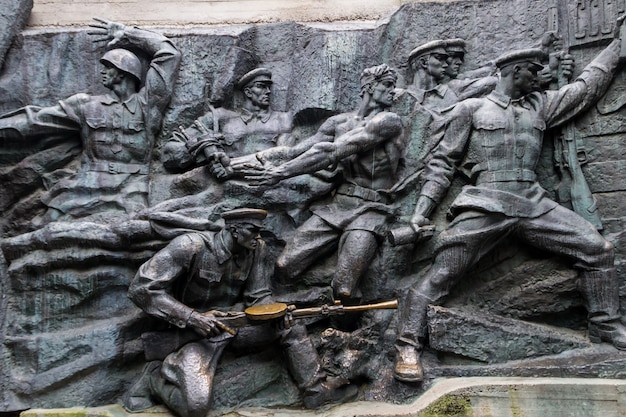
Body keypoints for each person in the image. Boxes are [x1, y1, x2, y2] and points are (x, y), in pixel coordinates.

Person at [393, 17, 626, 383]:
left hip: (533, 202)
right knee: (442, 273)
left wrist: (616, 47)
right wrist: (420, 213)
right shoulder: (470, 110)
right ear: (516, 72)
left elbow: (585, 88)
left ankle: (605, 326)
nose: (540, 76)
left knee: (598, 250)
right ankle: (407, 345)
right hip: (486, 202)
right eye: (534, 71)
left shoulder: (540, 106)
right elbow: (441, 165)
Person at [124, 208, 356, 417]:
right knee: (194, 408)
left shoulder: (257, 250)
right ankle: (155, 378)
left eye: (259, 232)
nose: (258, 237)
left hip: (236, 327)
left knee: (291, 326)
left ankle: (316, 392)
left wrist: (276, 313)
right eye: (252, 231)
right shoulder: (191, 247)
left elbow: (258, 296)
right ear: (234, 230)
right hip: (194, 335)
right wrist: (192, 318)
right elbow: (142, 288)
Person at [245, 64, 405, 302]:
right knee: (283, 265)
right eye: (388, 84)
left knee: (344, 287)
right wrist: (240, 162)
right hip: (338, 205)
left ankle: (342, 329)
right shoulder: (337, 123)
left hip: (372, 210)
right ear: (370, 86)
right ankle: (293, 311)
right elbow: (295, 151)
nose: (394, 91)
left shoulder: (389, 121)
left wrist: (280, 173)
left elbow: (333, 151)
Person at [0, 18, 181, 224]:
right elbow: (35, 121)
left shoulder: (148, 107)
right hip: (84, 186)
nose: (102, 72)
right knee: (44, 224)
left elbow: (170, 54)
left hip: (131, 190)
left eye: (108, 67)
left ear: (124, 73)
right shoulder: (85, 105)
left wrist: (128, 34)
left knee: (131, 234)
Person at [161, 67, 294, 179]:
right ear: (248, 92)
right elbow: (169, 153)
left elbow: (290, 156)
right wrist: (203, 147)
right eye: (261, 87)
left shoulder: (283, 120)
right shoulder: (219, 117)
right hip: (224, 187)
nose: (268, 92)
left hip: (270, 182)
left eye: (269, 87)